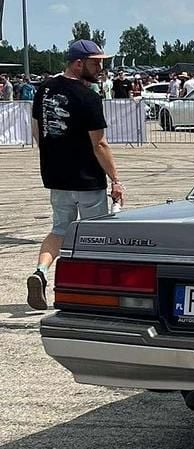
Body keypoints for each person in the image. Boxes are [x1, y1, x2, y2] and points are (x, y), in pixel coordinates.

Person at [27, 39, 124, 310]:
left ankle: (40, 272)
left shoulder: (44, 89)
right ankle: (93, 289)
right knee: (95, 234)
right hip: (87, 179)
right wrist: (116, 180)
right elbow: (99, 144)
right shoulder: (88, 97)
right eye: (96, 63)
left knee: (60, 229)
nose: (100, 68)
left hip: (56, 177)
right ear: (78, 63)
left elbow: (36, 129)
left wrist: (51, 155)